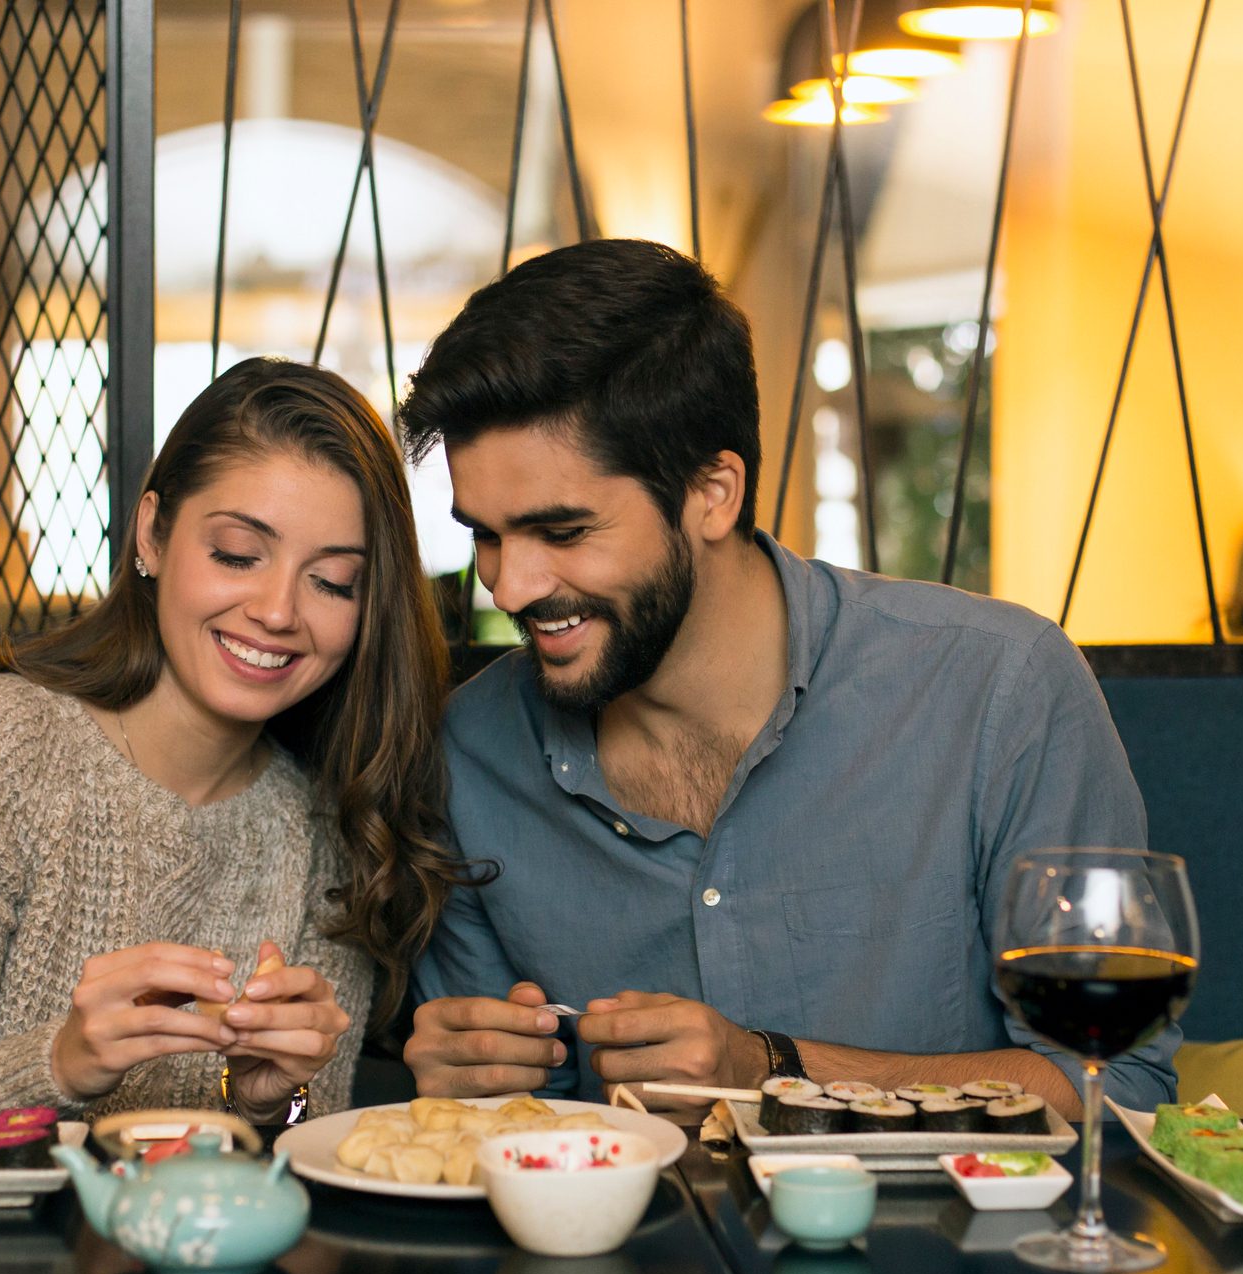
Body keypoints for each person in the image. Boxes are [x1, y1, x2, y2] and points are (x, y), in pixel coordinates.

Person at [396, 239, 1177, 1118]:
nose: (510, 585)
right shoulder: (467, 753)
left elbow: (1114, 1086)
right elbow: (511, 1135)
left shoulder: (1000, 689)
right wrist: (470, 1079)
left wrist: (769, 1068)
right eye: (485, 535)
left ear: (713, 492)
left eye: (564, 531)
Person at [0, 358, 468, 1125]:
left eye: (332, 581)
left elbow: (305, 1136)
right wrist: (62, 1063)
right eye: (236, 554)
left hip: (148, 1244)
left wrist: (270, 1097)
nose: (277, 610)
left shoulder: (330, 827)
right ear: (153, 536)